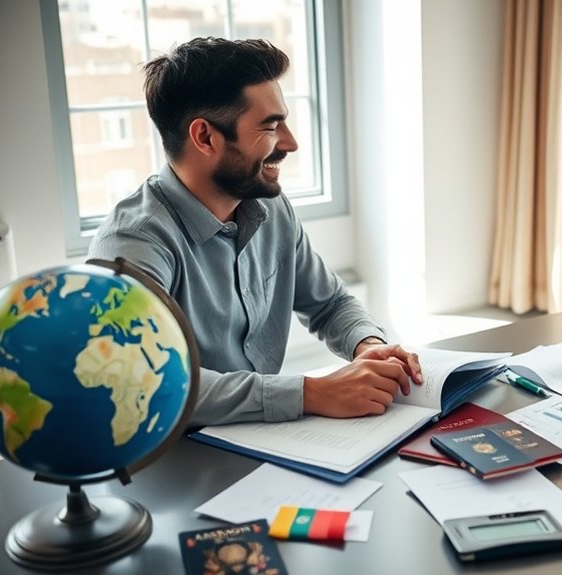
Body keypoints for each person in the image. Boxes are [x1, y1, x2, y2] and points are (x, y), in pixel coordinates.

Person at [89, 37, 422, 426]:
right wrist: (312, 393)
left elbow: (329, 303)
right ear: (205, 137)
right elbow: (144, 380)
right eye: (271, 126)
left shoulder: (271, 207)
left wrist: (368, 345)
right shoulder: (131, 244)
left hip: (263, 437)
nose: (291, 143)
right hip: (175, 450)